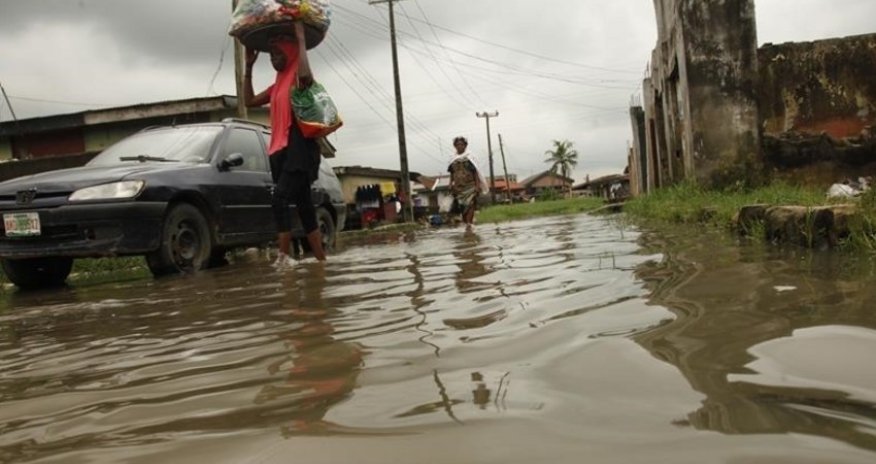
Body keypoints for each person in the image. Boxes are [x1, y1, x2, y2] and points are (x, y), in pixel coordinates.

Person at [243, 22, 326, 266]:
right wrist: (249, 67)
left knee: (279, 198)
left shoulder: (298, 79)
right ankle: (322, 261)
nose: (274, 60)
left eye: (278, 54)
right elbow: (248, 101)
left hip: (300, 151)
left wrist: (301, 41)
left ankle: (283, 256)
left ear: (290, 52)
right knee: (304, 206)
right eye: (271, 56)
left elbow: (305, 75)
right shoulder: (277, 84)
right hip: (280, 151)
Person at [447, 136, 487, 228]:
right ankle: (467, 224)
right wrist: (450, 184)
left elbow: (475, 172)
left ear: (465, 146)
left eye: (461, 144)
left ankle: (469, 224)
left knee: (470, 204)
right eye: (457, 145)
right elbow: (452, 173)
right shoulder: (452, 159)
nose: (459, 146)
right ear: (454, 146)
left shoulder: (470, 157)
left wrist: (477, 185)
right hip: (458, 187)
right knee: (462, 206)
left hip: (470, 185)